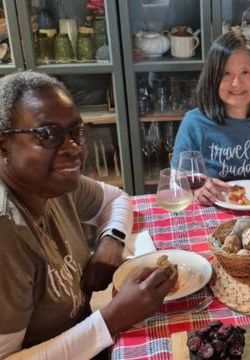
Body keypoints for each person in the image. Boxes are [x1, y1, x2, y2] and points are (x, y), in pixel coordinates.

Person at [0, 71, 178, 359]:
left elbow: (117, 199)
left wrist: (111, 241)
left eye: (76, 132)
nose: (72, 149)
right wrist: (111, 319)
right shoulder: (6, 234)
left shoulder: (50, 183)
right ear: (3, 144)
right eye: (47, 135)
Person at [171, 30, 250, 206]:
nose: (236, 83)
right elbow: (176, 181)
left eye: (245, 72)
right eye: (226, 73)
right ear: (213, 78)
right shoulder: (193, 123)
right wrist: (195, 189)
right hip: (212, 215)